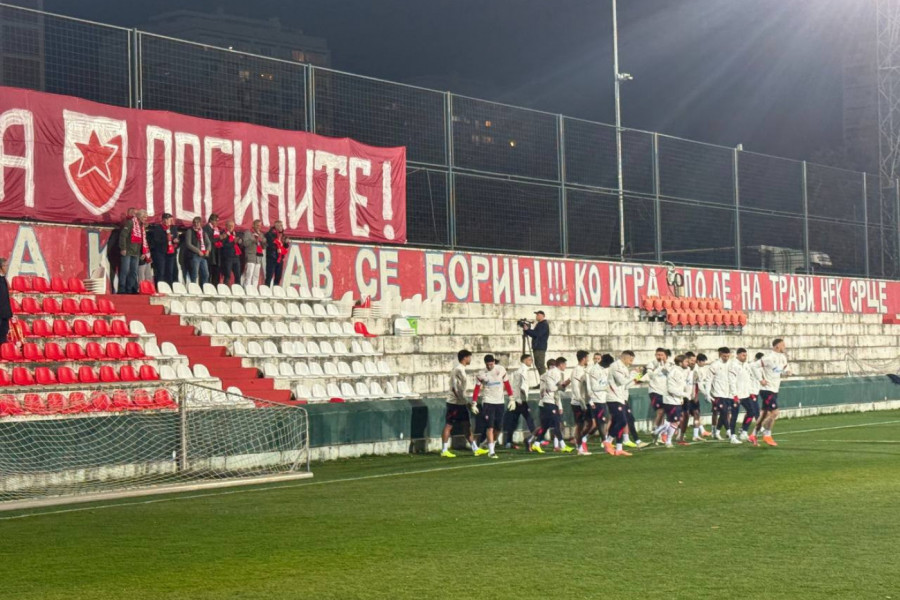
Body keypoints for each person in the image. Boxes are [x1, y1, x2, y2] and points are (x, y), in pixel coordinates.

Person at [441, 349, 486, 458]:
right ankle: (444, 450)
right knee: (449, 425)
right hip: (455, 403)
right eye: (469, 357)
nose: (470, 359)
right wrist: (464, 402)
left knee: (466, 425)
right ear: (465, 357)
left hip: (460, 403)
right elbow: (455, 388)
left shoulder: (461, 370)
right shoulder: (458, 370)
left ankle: (475, 448)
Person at [473, 354, 514, 459]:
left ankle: (489, 444)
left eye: (492, 364)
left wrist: (511, 398)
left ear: (494, 362)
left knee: (498, 427)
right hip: (488, 402)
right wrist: (474, 402)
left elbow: (507, 384)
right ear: (485, 363)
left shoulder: (501, 370)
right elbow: (477, 388)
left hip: (500, 402)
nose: (490, 366)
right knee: (490, 426)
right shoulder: (481, 373)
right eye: (488, 364)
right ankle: (491, 451)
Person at [528, 358, 573, 453]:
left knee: (545, 425)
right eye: (565, 364)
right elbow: (551, 388)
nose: (566, 366)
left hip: (551, 401)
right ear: (560, 364)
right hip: (547, 402)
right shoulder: (550, 374)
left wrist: (565, 384)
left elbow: (560, 390)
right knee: (556, 423)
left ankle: (536, 443)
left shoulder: (557, 374)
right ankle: (562, 445)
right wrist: (562, 385)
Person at [752, 339, 790, 447]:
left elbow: (785, 368)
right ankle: (765, 434)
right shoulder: (768, 358)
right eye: (783, 345)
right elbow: (753, 366)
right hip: (767, 389)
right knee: (775, 412)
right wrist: (760, 379)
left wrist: (787, 371)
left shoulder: (782, 357)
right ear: (777, 346)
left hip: (775, 389)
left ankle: (754, 436)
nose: (784, 347)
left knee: (764, 415)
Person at [605, 351, 640, 456]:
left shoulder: (624, 368)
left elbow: (625, 386)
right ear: (625, 357)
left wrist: (637, 378)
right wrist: (633, 374)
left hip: (621, 398)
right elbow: (621, 381)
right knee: (622, 421)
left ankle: (619, 449)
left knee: (620, 422)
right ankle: (608, 441)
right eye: (630, 359)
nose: (631, 362)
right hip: (613, 398)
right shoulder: (615, 366)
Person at [504, 354, 539, 451]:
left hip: (517, 400)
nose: (531, 361)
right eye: (529, 359)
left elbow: (515, 386)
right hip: (521, 400)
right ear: (524, 361)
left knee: (513, 422)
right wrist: (521, 399)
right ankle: (535, 440)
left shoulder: (518, 371)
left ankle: (508, 441)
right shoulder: (523, 371)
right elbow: (522, 387)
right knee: (529, 419)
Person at [707, 347, 740, 444]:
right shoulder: (715, 365)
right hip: (717, 394)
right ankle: (730, 433)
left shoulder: (731, 364)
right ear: (720, 355)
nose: (726, 358)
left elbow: (733, 379)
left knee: (724, 414)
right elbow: (709, 380)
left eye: (727, 356)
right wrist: (708, 393)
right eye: (724, 356)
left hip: (728, 394)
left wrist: (734, 393)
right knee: (724, 412)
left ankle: (717, 431)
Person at [660, 355, 689, 448]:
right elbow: (671, 389)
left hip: (675, 400)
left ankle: (665, 437)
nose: (687, 363)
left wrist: (681, 398)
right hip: (671, 400)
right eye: (686, 362)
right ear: (680, 363)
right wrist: (684, 395)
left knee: (673, 421)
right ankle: (662, 435)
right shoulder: (675, 372)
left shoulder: (679, 371)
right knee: (674, 421)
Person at [118, 209, 149, 294]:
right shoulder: (130, 222)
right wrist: (123, 248)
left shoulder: (141, 226)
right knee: (125, 270)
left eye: (146, 217)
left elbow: (143, 240)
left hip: (136, 252)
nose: (145, 219)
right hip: (127, 251)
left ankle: (130, 289)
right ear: (139, 216)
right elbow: (123, 236)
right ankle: (122, 289)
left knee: (134, 272)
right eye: (144, 217)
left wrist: (143, 252)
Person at [568, 350, 593, 455]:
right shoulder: (577, 371)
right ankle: (579, 448)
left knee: (590, 423)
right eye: (587, 358)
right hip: (577, 403)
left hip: (584, 401)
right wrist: (581, 401)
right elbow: (575, 388)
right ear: (583, 358)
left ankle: (580, 441)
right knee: (580, 424)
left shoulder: (584, 370)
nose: (588, 360)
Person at [587, 352, 614, 451]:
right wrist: (606, 388)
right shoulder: (594, 370)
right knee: (601, 422)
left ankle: (587, 438)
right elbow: (594, 387)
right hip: (596, 399)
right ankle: (605, 442)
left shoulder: (605, 369)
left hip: (603, 398)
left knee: (606, 419)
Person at [730, 348, 757, 443]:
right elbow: (732, 381)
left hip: (745, 394)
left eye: (745, 355)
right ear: (737, 355)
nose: (745, 357)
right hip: (736, 395)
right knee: (734, 416)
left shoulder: (746, 365)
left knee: (751, 412)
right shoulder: (733, 365)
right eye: (743, 355)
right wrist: (734, 395)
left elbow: (749, 380)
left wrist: (751, 392)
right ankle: (732, 436)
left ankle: (744, 431)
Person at [645, 348, 670, 442]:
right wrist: (659, 367)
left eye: (661, 355)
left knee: (663, 413)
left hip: (665, 392)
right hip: (654, 391)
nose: (659, 357)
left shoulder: (669, 364)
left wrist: (665, 367)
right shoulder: (651, 364)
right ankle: (656, 430)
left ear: (665, 356)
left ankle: (661, 433)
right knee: (660, 412)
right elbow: (651, 376)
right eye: (658, 354)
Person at [147, 213, 178, 287]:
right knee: (161, 271)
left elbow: (176, 238)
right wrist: (167, 239)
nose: (168, 221)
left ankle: (169, 287)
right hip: (161, 252)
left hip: (171, 253)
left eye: (169, 219)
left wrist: (176, 240)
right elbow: (156, 240)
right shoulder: (158, 228)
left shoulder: (173, 228)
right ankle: (159, 287)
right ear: (163, 220)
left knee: (170, 271)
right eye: (166, 219)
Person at [185, 216, 212, 285]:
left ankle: (204, 288)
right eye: (195, 222)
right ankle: (193, 288)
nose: (196, 224)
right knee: (195, 274)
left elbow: (208, 243)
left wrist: (208, 250)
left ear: (201, 223)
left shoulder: (203, 232)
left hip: (203, 256)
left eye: (198, 222)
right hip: (194, 255)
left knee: (206, 274)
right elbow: (188, 244)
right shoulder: (190, 231)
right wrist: (198, 251)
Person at [523, 310, 550, 374]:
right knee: (538, 364)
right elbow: (535, 334)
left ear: (543, 316)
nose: (536, 316)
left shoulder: (543, 324)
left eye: (538, 315)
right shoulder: (540, 324)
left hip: (540, 347)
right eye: (536, 315)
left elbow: (537, 334)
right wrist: (528, 330)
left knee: (540, 365)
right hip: (537, 347)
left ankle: (544, 381)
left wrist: (528, 330)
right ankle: (542, 380)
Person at [265, 221, 290, 287]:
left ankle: (276, 290)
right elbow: (270, 244)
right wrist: (277, 248)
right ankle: (266, 290)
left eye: (282, 225)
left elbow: (285, 246)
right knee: (269, 276)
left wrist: (286, 243)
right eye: (279, 225)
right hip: (272, 257)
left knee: (278, 276)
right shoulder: (270, 234)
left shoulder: (283, 235)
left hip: (280, 258)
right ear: (275, 226)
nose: (281, 227)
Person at [242, 220, 266, 288]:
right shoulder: (248, 233)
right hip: (250, 256)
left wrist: (263, 242)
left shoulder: (261, 234)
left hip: (258, 257)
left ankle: (254, 289)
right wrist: (253, 240)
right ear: (253, 225)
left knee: (256, 275)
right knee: (249, 274)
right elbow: (245, 244)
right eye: (257, 225)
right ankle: (247, 289)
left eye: (260, 226)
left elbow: (264, 247)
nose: (259, 227)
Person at [219, 220, 243, 286]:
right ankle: (225, 290)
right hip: (227, 257)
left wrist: (240, 242)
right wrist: (233, 242)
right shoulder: (223, 234)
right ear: (226, 226)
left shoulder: (236, 234)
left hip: (236, 257)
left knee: (238, 275)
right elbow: (223, 245)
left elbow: (241, 244)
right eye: (229, 226)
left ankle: (238, 291)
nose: (230, 227)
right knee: (227, 275)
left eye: (232, 226)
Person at [203, 213, 223, 286]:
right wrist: (219, 238)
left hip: (216, 255)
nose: (217, 223)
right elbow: (208, 241)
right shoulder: (206, 228)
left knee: (216, 273)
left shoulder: (216, 229)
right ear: (211, 220)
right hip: (210, 255)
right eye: (216, 221)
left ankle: (215, 288)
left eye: (218, 221)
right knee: (208, 272)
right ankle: (207, 287)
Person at [0, 257, 11, 343]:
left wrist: (9, 313)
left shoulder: (3, 279)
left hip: (4, 314)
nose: (7, 267)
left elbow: (5, 298)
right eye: (5, 265)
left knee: (3, 337)